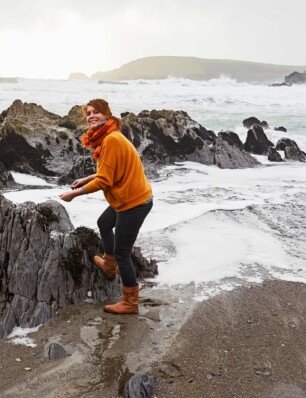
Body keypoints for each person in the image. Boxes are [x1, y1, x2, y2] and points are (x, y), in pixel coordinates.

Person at [59, 99, 153, 315]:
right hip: (128, 199)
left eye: (96, 112)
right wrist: (85, 178)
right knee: (104, 222)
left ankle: (130, 302)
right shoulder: (109, 137)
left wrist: (74, 194)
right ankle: (109, 267)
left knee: (123, 253)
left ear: (107, 114)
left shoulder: (111, 140)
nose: (91, 116)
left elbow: (105, 181)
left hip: (134, 203)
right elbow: (108, 171)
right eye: (88, 113)